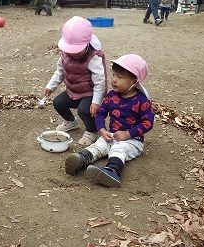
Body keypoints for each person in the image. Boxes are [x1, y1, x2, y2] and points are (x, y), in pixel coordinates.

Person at [65, 54, 154, 188]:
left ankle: (112, 172)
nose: (113, 80)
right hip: (111, 134)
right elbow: (100, 114)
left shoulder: (142, 101)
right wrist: (102, 130)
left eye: (120, 77)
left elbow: (148, 123)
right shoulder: (111, 96)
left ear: (134, 81)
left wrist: (128, 134)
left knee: (118, 149)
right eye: (113, 75)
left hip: (133, 140)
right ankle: (81, 159)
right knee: (99, 145)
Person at [42, 16, 107, 146]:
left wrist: (96, 102)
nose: (73, 53)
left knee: (84, 110)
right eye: (70, 49)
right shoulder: (65, 54)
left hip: (90, 92)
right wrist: (51, 86)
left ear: (87, 44)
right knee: (58, 102)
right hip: (74, 90)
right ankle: (71, 121)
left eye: (76, 50)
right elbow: (60, 72)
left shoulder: (93, 58)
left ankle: (92, 130)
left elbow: (100, 82)